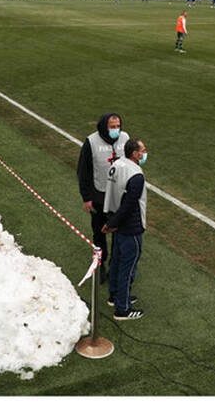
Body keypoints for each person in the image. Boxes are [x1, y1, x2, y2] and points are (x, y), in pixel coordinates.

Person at [76, 113, 129, 284]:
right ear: (103, 126)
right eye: (112, 126)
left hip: (120, 194)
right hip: (100, 195)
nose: (116, 129)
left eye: (118, 126)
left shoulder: (125, 138)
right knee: (99, 232)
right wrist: (86, 197)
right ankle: (100, 264)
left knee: (118, 231)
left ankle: (116, 265)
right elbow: (83, 171)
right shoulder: (91, 142)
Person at [102, 137, 149, 320]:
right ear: (135, 154)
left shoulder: (117, 165)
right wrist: (113, 223)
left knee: (116, 261)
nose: (145, 153)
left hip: (117, 223)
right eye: (143, 150)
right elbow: (129, 204)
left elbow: (111, 195)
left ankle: (115, 296)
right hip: (130, 227)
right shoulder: (135, 175)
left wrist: (110, 221)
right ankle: (123, 308)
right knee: (127, 267)